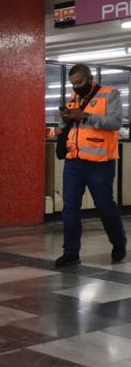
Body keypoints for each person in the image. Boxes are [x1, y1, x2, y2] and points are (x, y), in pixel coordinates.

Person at [55, 63, 126, 267]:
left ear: (90, 78)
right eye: (73, 83)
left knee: (104, 205)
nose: (76, 87)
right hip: (74, 162)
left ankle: (119, 242)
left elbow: (115, 122)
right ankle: (71, 252)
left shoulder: (109, 94)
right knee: (70, 208)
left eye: (79, 82)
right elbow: (66, 126)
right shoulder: (74, 97)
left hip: (100, 163)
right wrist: (64, 120)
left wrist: (85, 116)